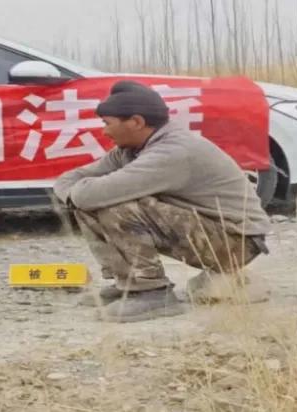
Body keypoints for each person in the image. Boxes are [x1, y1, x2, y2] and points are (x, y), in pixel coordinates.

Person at [53, 81, 271, 322]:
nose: (104, 132)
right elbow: (68, 181)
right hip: (213, 231)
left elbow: (87, 194)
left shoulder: (172, 151)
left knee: (112, 204)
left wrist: (78, 194)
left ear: (136, 122)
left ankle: (152, 292)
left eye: (107, 123)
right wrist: (76, 194)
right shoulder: (133, 148)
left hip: (237, 242)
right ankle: (128, 284)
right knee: (91, 202)